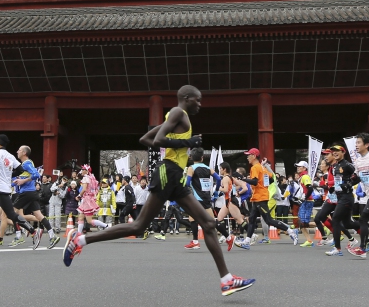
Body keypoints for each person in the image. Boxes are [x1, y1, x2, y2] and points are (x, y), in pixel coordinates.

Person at [62, 85, 254, 296]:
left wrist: (182, 142)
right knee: (137, 226)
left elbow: (145, 139)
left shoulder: (174, 118)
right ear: (186, 98)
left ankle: (226, 280)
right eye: (197, 100)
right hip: (167, 173)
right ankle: (80, 239)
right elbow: (159, 139)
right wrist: (188, 141)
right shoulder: (178, 113)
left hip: (175, 176)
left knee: (208, 223)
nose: (200, 104)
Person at [238, 149, 299, 250]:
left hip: (260, 198)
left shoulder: (255, 167)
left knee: (268, 220)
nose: (247, 157)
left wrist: (243, 179)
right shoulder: (262, 168)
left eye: (249, 155)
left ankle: (290, 231)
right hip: (259, 197)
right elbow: (271, 179)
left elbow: (254, 182)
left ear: (254, 156)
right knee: (252, 220)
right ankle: (247, 241)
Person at [184, 147, 228, 249]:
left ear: (191, 157)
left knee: (194, 219)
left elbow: (187, 183)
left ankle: (196, 241)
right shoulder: (208, 168)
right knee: (208, 220)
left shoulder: (192, 168)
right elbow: (218, 179)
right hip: (206, 197)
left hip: (197, 198)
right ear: (202, 158)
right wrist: (216, 192)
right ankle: (228, 237)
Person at [325, 145, 361, 257]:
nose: (335, 153)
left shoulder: (347, 165)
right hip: (339, 196)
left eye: (337, 151)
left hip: (347, 196)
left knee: (335, 219)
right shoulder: (336, 165)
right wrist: (333, 189)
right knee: (347, 223)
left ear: (343, 152)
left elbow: (359, 177)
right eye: (333, 151)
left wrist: (349, 184)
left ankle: (337, 248)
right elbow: (338, 181)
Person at [213, 162, 245, 250]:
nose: (219, 170)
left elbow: (226, 190)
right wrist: (235, 190)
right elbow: (241, 184)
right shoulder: (230, 177)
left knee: (239, 220)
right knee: (219, 218)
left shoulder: (225, 178)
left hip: (231, 201)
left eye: (220, 169)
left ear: (224, 169)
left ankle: (251, 234)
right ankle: (227, 236)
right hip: (228, 201)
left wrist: (218, 188)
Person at [76, 164, 107, 238]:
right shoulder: (92, 178)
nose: (82, 171)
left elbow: (84, 189)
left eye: (83, 170)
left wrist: (79, 196)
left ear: (87, 171)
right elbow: (96, 190)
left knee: (89, 220)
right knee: (80, 217)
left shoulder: (86, 178)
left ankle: (106, 225)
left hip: (87, 199)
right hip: (89, 198)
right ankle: (78, 234)